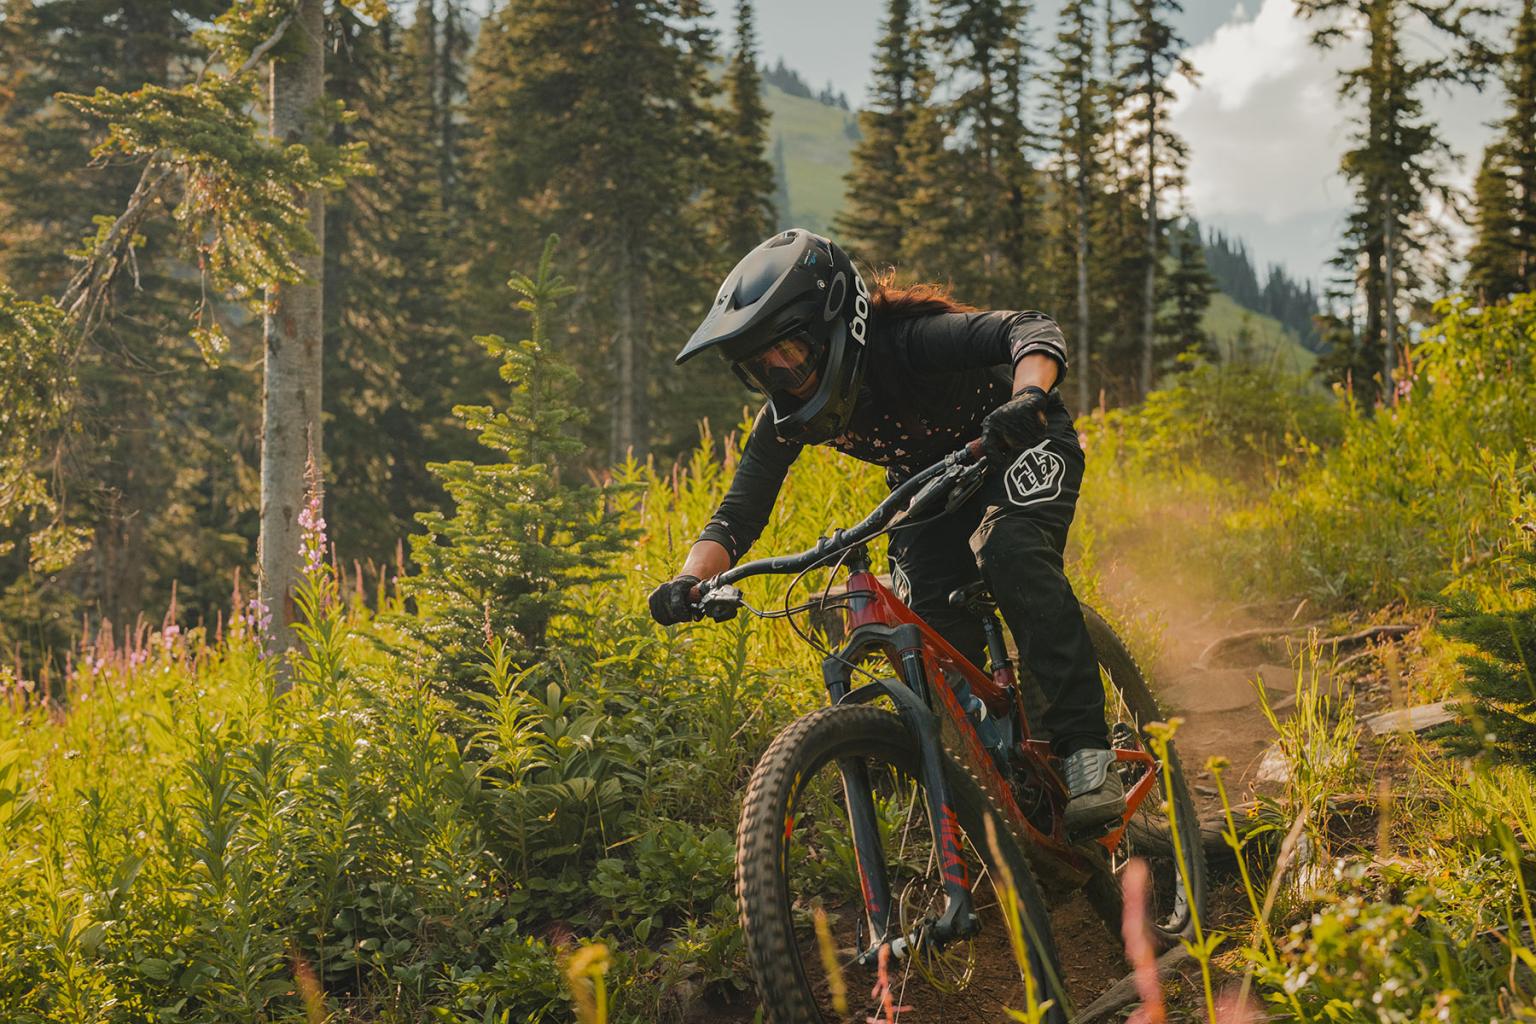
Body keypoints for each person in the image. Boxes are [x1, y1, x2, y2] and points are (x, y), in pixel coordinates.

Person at [647, 229, 1123, 833]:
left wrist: (1026, 397)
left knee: (1010, 549)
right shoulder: (787, 418)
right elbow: (738, 514)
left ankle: (1088, 751)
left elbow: (1030, 328)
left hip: (1018, 441)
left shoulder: (909, 342)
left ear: (835, 327)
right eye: (763, 370)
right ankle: (1003, 777)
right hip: (931, 487)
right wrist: (689, 581)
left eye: (790, 354)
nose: (783, 377)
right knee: (926, 625)